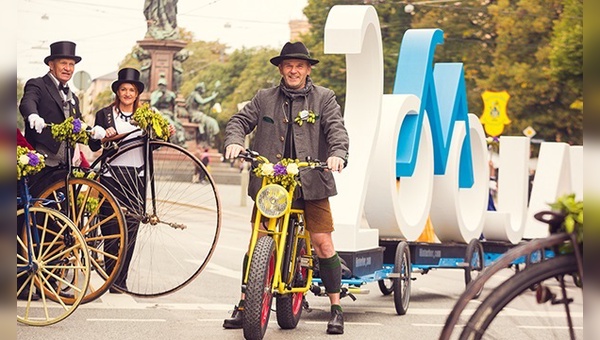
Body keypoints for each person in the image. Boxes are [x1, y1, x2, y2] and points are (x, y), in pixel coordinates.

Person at [222, 41, 349, 335]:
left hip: (312, 180)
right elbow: (239, 121)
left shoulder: (324, 98)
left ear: (307, 70)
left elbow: (336, 130)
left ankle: (336, 307)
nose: (294, 70)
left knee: (322, 243)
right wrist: (233, 140)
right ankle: (245, 304)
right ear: (281, 68)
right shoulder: (264, 98)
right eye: (289, 65)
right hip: (272, 183)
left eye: (299, 66)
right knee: (258, 242)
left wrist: (337, 154)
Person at [18, 40, 105, 300]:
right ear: (51, 64)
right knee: (30, 220)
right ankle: (21, 282)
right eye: (63, 63)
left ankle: (49, 281)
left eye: (71, 64)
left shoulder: (73, 97)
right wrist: (32, 116)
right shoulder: (38, 85)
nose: (68, 68)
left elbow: (75, 129)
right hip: (41, 165)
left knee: (57, 226)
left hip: (64, 169)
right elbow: (27, 103)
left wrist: (95, 135)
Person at [88, 67, 175, 293]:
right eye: (124, 89)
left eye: (132, 90)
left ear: (137, 94)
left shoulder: (147, 116)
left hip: (136, 176)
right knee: (110, 228)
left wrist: (165, 133)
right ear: (118, 92)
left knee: (131, 229)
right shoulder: (104, 114)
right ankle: (111, 276)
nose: (127, 93)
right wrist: (100, 134)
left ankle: (121, 280)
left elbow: (153, 147)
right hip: (110, 176)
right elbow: (94, 146)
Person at [150, 76, 185, 145]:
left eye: (163, 85)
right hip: (159, 113)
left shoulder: (171, 94)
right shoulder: (155, 94)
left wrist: (175, 116)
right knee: (169, 123)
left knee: (178, 124)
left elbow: (175, 106)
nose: (161, 87)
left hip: (169, 114)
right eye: (160, 85)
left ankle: (180, 139)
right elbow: (152, 105)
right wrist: (158, 97)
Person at [186, 81, 220, 145]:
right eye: (203, 88)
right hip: (194, 114)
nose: (204, 90)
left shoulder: (194, 94)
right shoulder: (195, 94)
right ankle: (205, 138)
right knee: (208, 121)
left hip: (196, 113)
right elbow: (202, 102)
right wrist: (212, 97)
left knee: (209, 121)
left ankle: (206, 138)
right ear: (200, 89)